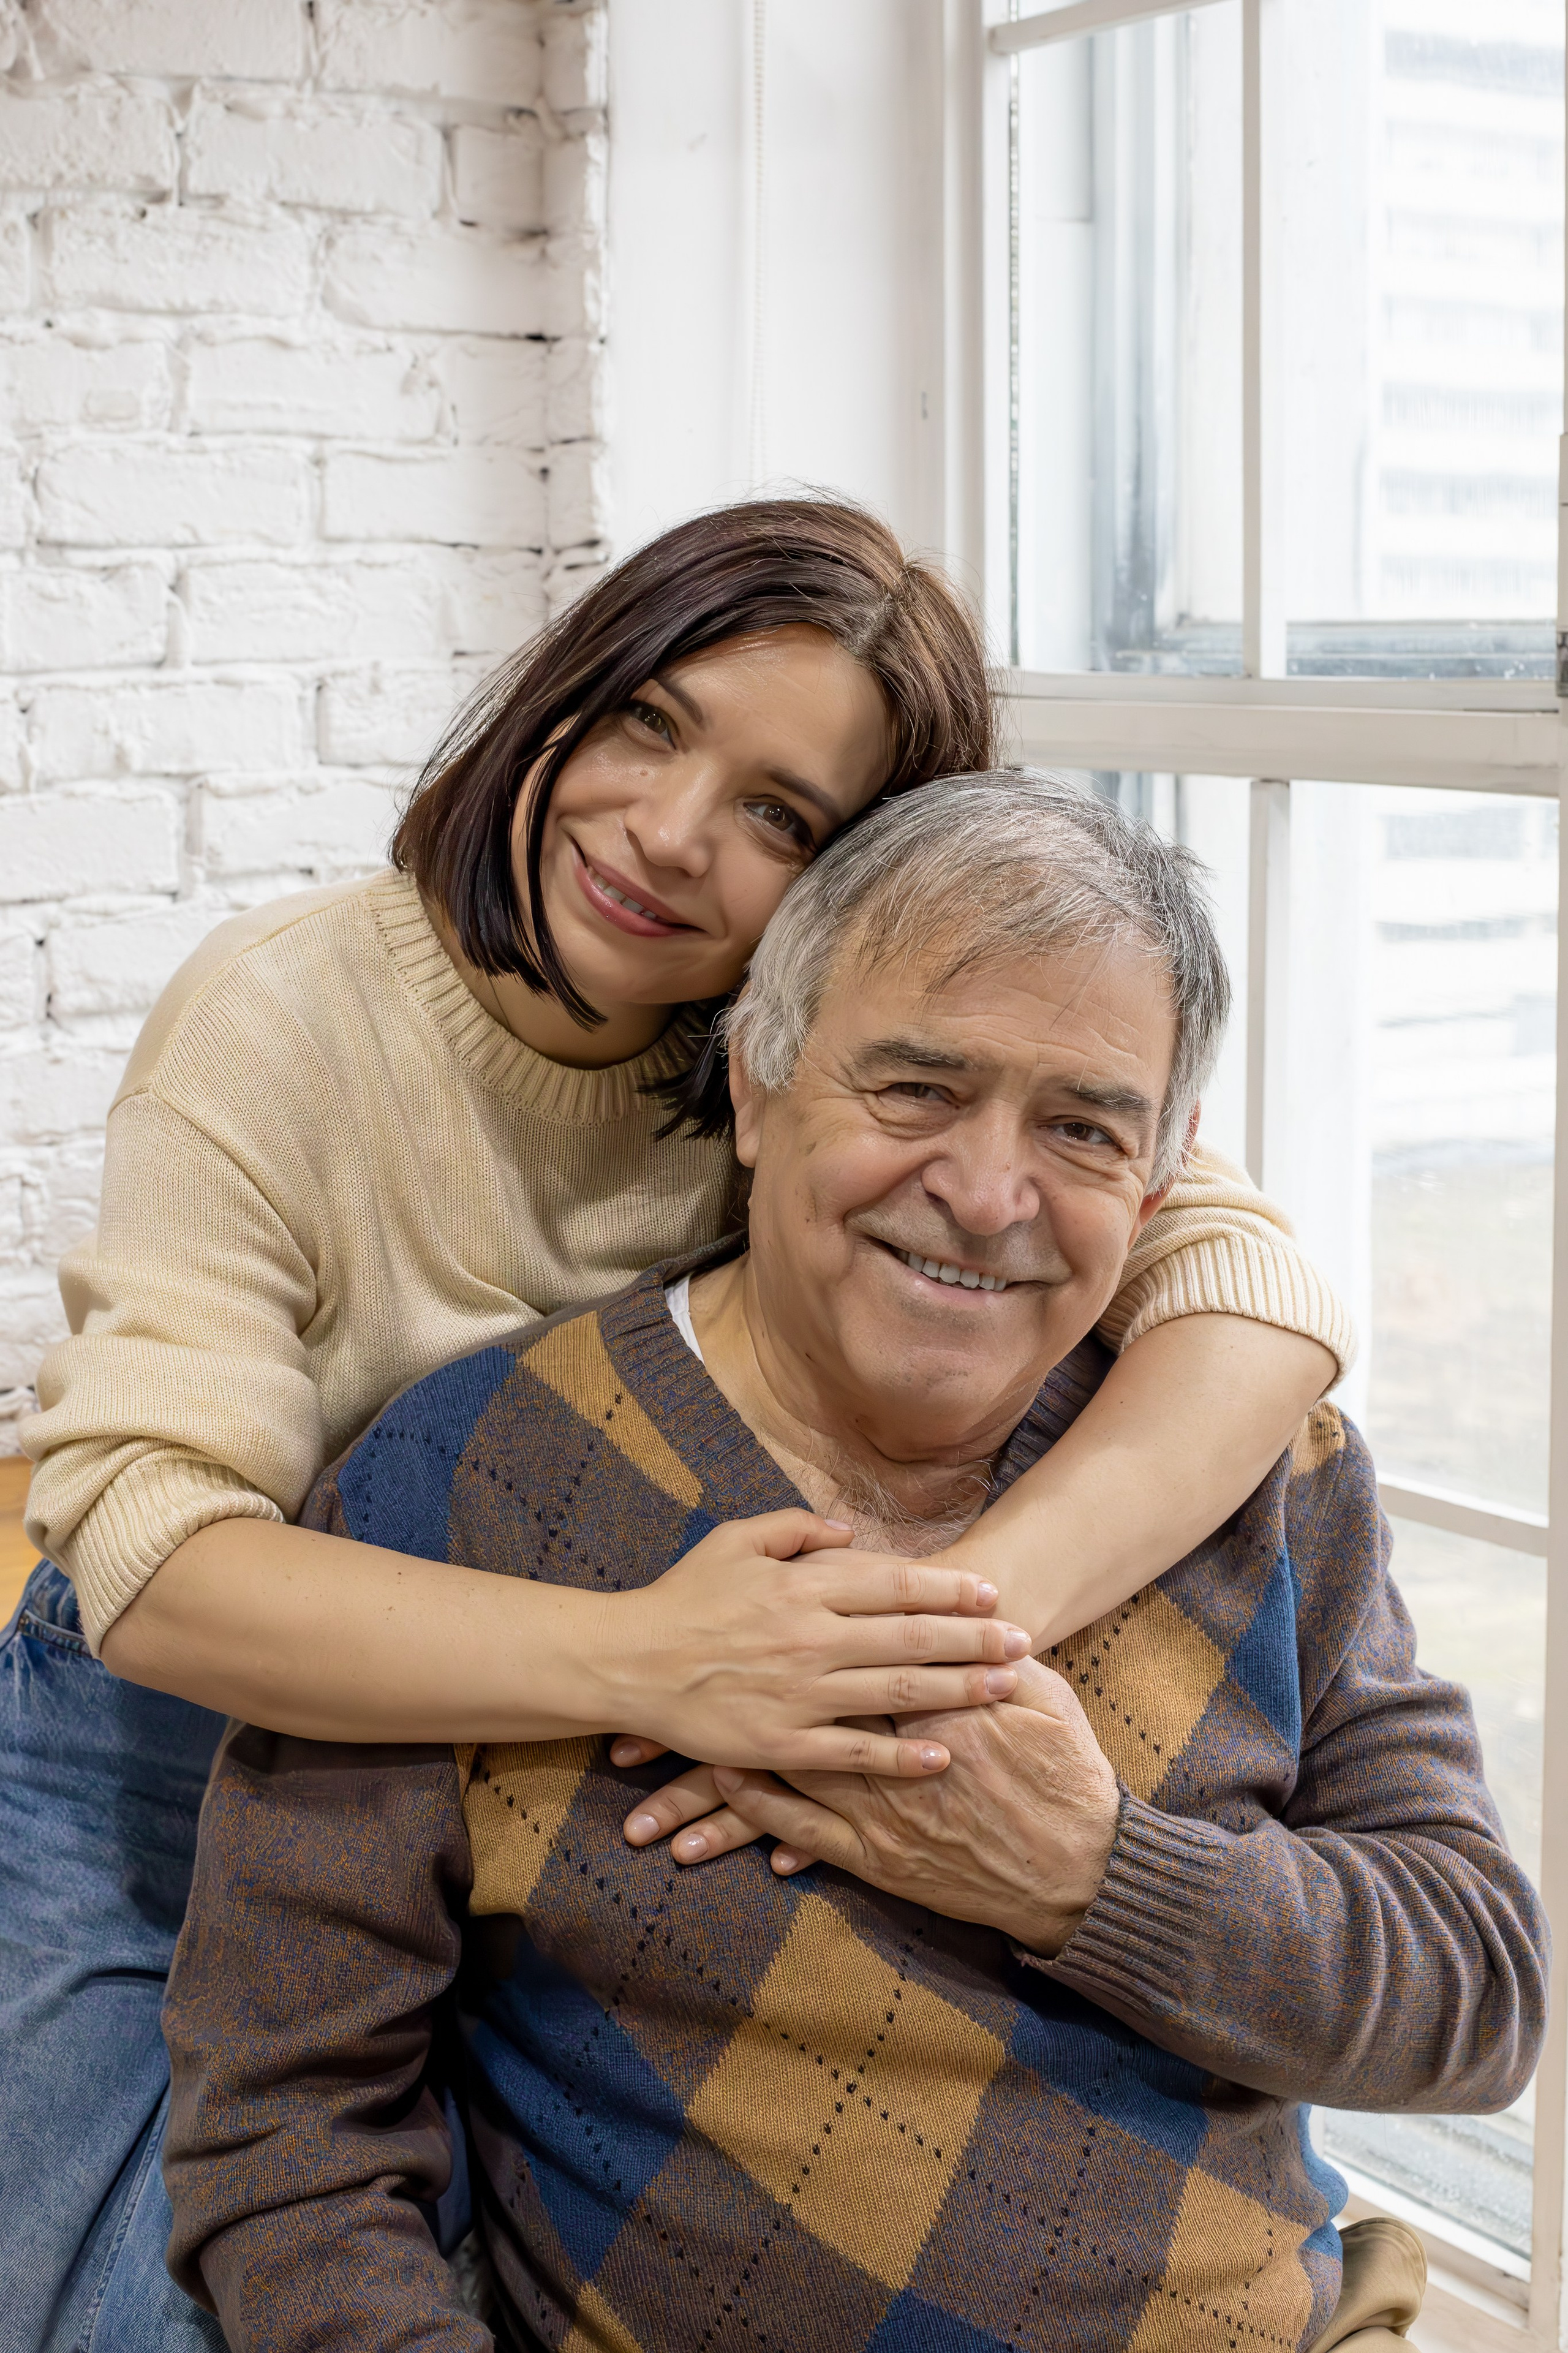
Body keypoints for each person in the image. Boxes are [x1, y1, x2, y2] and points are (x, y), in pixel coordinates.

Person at [6, 504, 1344, 2353]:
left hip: (556, 1730)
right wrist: (660, 1660)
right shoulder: (281, 1015)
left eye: (780, 814)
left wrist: (931, 1638)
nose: (666, 832)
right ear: (560, 690)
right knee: (132, 2307)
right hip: (172, 1727)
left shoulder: (839, 1069)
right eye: (648, 720)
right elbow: (155, 1570)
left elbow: (1251, 1307)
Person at [162, 776, 1542, 2353]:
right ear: (754, 1091)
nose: (986, 1193)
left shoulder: (1262, 1470)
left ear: (1159, 1185)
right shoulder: (463, 1482)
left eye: (1080, 1128)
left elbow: (1474, 1997)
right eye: (914, 1089)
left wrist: (1093, 1875)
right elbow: (287, 2128)